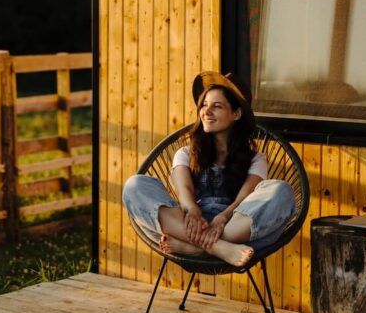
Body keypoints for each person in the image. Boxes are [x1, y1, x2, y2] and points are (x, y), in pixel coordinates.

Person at [122, 71, 296, 268]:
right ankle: (219, 248)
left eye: (217, 106)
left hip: (234, 223)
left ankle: (195, 247)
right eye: (204, 105)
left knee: (282, 191)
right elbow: (184, 192)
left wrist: (222, 219)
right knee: (134, 185)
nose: (206, 111)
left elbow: (243, 199)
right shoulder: (186, 153)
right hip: (191, 221)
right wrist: (193, 210)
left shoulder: (255, 159)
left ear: (236, 114)